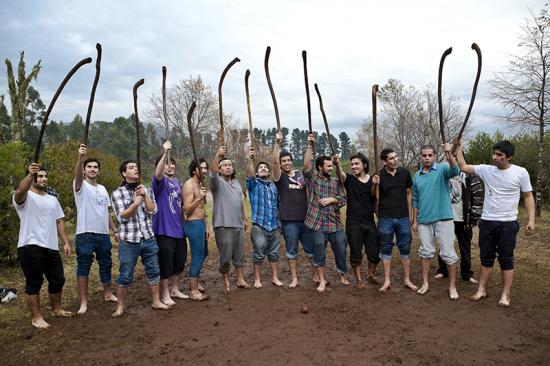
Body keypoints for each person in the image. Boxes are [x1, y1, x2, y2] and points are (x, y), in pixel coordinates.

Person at [455, 139, 535, 307]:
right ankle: (481, 290)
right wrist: (458, 148)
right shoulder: (486, 170)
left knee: (506, 259)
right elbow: (463, 166)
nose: (495, 157)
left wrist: (531, 220)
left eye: (499, 155)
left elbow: (528, 196)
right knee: (486, 258)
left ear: (509, 157)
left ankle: (505, 295)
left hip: (507, 223)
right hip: (487, 222)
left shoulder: (521, 173)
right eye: (494, 154)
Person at [13, 163, 73, 328]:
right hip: (30, 245)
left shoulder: (52, 199)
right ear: (32, 177)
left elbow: (59, 220)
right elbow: (19, 192)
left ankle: (56, 309)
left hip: (51, 246)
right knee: (34, 281)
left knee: (58, 279)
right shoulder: (25, 197)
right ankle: (37, 317)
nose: (44, 179)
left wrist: (66, 242)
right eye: (39, 176)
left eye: (45, 176)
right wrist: (29, 175)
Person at [111, 160, 170, 317]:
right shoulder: (117, 193)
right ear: (124, 173)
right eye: (131, 167)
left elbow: (153, 211)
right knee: (125, 274)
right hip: (129, 240)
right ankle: (120, 306)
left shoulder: (147, 189)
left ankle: (156, 301)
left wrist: (144, 197)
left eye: (136, 167)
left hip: (148, 237)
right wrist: (135, 203)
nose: (135, 169)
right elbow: (122, 217)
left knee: (153, 269)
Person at [73, 144, 119, 314]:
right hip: (85, 233)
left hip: (103, 234)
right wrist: (80, 158)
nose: (92, 170)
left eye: (95, 167)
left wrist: (114, 230)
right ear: (84, 170)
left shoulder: (102, 189)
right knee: (84, 266)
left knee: (106, 264)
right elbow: (77, 177)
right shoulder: (80, 186)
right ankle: (83, 302)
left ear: (98, 171)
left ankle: (108, 293)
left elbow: (106, 212)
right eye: (89, 167)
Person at [412, 143, 460, 300]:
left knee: (448, 253)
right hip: (424, 220)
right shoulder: (417, 176)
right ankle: (425, 283)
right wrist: (414, 220)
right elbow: (415, 199)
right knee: (425, 252)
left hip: (443, 218)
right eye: (424, 155)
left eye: (430, 155)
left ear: (434, 156)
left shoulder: (442, 169)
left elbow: (455, 170)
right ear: (421, 156)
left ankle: (452, 286)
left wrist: (449, 154)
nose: (427, 158)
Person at [272, 131, 317, 288]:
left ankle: (315, 275)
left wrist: (309, 145)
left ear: (291, 161)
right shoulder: (279, 177)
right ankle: (294, 278)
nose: (286, 163)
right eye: (283, 161)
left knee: (311, 250)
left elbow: (307, 164)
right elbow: (275, 163)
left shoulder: (299, 174)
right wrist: (277, 143)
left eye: (288, 160)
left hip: (305, 219)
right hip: (289, 221)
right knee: (292, 251)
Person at [335, 152, 381, 288]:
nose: (354, 166)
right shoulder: (349, 179)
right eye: (352, 164)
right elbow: (340, 176)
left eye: (357, 164)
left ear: (364, 165)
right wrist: (337, 164)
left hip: (369, 221)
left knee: (374, 252)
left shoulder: (373, 178)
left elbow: (374, 196)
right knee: (356, 252)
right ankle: (359, 279)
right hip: (353, 223)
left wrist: (376, 184)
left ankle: (371, 275)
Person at [305, 153, 348, 293]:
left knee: (341, 247)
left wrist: (332, 200)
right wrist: (310, 145)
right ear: (320, 167)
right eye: (328, 166)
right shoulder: (313, 180)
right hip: (317, 223)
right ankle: (322, 279)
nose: (330, 168)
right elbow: (306, 165)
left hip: (334, 224)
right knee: (318, 249)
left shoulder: (335, 181)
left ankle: (341, 273)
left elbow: (343, 199)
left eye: (331, 166)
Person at [376, 148, 418, 293]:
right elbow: (375, 198)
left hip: (403, 217)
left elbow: (408, 193)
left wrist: (410, 215)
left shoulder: (404, 173)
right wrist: (375, 184)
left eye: (396, 157)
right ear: (384, 161)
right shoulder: (379, 175)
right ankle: (387, 280)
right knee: (386, 248)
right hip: (385, 218)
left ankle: (407, 279)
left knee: (405, 247)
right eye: (391, 158)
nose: (395, 160)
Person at [210, 145, 250, 293]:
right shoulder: (217, 182)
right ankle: (226, 281)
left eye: (229, 165)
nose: (227, 167)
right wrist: (218, 155)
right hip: (223, 224)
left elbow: (239, 203)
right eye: (224, 165)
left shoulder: (237, 183)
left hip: (238, 224)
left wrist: (244, 219)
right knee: (225, 255)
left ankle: (240, 279)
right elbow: (212, 171)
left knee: (240, 254)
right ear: (220, 170)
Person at [152, 141, 188, 305]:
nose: (170, 166)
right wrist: (165, 153)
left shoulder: (177, 182)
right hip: (163, 229)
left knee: (179, 261)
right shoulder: (160, 182)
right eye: (167, 164)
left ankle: (175, 289)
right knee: (165, 263)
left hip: (179, 229)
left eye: (172, 164)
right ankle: (165, 293)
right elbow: (159, 174)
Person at [435, 168, 483, 284]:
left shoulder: (471, 177)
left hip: (464, 220)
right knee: (444, 245)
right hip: (446, 218)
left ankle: (466, 274)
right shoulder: (443, 176)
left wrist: (474, 218)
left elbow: (478, 197)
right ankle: (443, 270)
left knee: (465, 247)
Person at [246, 146, 282, 288]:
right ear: (257, 172)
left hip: (273, 226)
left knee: (274, 254)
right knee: (259, 253)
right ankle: (257, 279)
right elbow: (249, 174)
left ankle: (274, 277)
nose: (263, 169)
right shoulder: (253, 184)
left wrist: (279, 223)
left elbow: (277, 205)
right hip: (259, 226)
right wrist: (250, 159)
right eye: (260, 168)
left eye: (265, 168)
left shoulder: (273, 187)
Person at [182, 157, 210, 300]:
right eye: (202, 168)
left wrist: (206, 225)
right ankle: (193, 291)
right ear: (194, 170)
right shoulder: (189, 185)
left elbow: (202, 208)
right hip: (192, 224)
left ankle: (195, 280)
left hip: (200, 223)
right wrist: (199, 198)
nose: (204, 170)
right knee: (197, 256)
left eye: (206, 168)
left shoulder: (200, 184)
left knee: (204, 252)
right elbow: (186, 209)